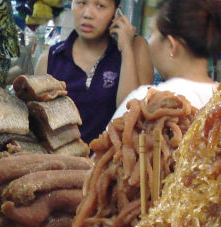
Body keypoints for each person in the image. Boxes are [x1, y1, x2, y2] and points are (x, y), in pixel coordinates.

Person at [112, 0, 221, 120]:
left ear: (171, 45)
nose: (149, 42)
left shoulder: (145, 101)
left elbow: (109, 150)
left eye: (152, 33)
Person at [36, 0, 153, 144]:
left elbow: (132, 115)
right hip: (60, 163)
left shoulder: (136, 49)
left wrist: (126, 50)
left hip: (111, 162)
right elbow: (36, 126)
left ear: (117, 11)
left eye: (100, 6)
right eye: (81, 3)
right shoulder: (51, 58)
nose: (87, 14)